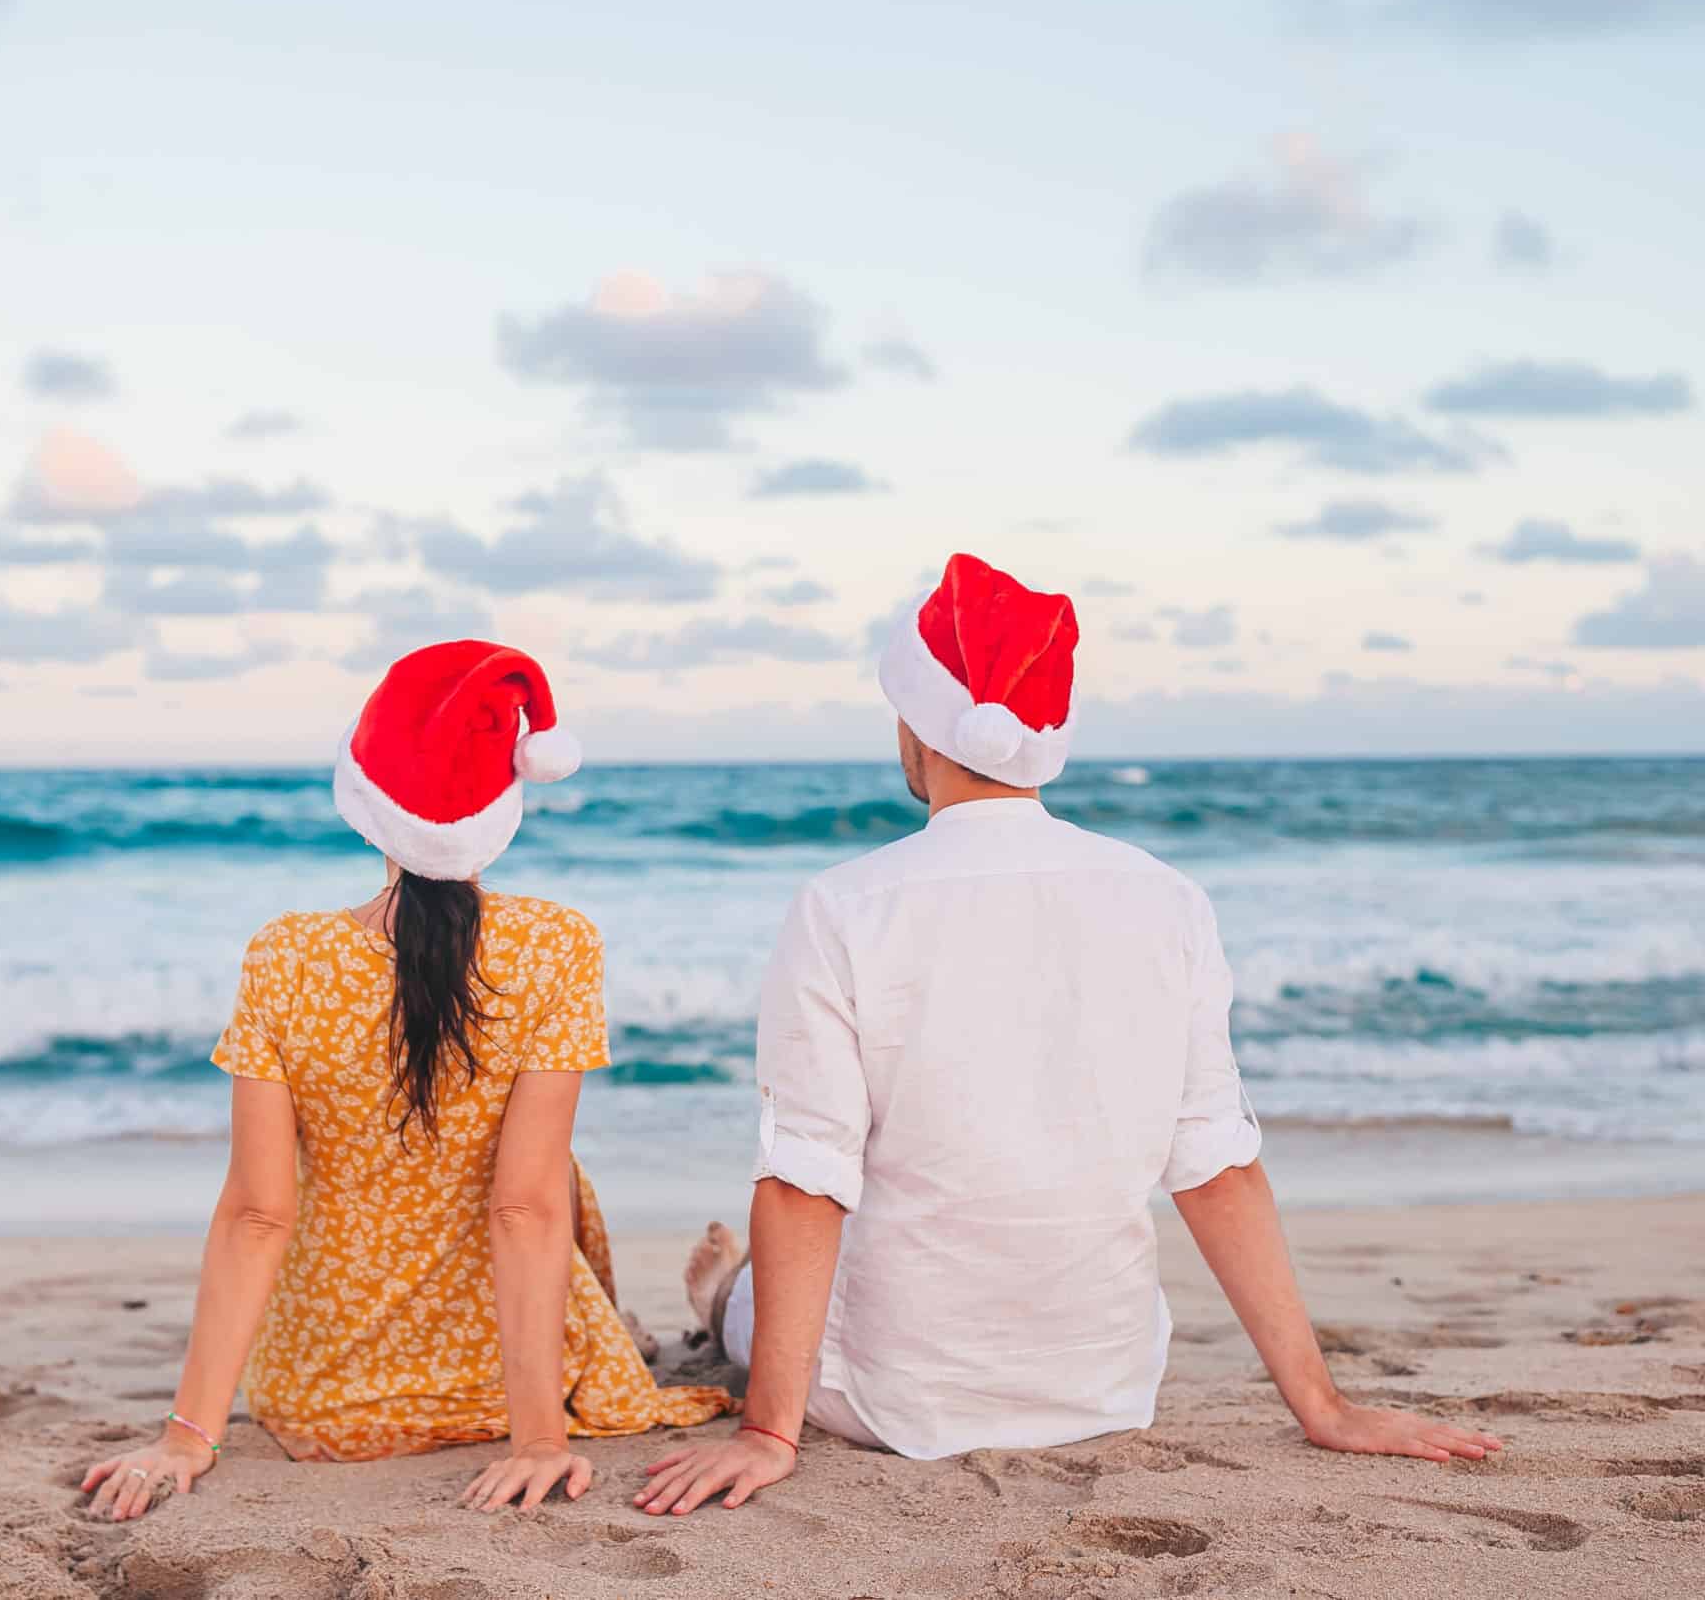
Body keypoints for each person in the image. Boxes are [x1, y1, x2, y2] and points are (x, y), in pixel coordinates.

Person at [635, 554, 1502, 1518]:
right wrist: (1322, 1405)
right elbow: (1216, 1166)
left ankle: (722, 1298)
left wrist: (766, 1433)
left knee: (762, 1290)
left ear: (916, 727)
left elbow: (807, 1183)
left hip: (892, 1397)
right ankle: (739, 1293)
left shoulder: (842, 907)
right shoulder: (1169, 899)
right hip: (1103, 1386)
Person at [81, 641, 732, 1523]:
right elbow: (524, 1208)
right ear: (503, 802)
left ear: (364, 797)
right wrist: (539, 1437)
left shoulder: (285, 955)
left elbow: (257, 1213)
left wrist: (188, 1434)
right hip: (494, 1395)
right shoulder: (556, 946)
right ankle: (650, 1326)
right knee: (555, 1176)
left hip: (321, 1403)